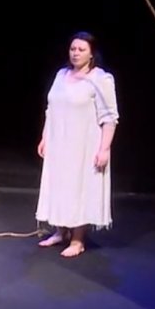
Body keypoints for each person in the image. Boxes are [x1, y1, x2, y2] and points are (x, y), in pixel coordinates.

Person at [36, 31, 120, 258]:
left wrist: (104, 149)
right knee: (59, 186)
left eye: (81, 50)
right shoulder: (61, 75)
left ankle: (77, 240)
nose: (75, 53)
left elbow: (109, 117)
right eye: (73, 49)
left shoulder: (100, 79)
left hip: (83, 145)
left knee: (80, 189)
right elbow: (51, 109)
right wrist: (45, 137)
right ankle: (60, 231)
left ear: (91, 54)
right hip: (59, 143)